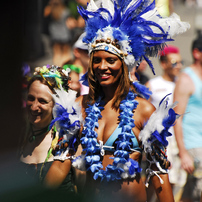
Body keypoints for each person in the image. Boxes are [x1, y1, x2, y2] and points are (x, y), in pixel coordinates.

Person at [44, 0, 190, 201]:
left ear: (124, 64)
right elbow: (61, 163)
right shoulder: (79, 106)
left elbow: (159, 174)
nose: (102, 66)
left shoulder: (144, 110)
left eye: (110, 60)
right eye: (96, 60)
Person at [18, 65, 82, 195]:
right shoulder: (19, 135)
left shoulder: (65, 140)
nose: (34, 107)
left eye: (42, 101)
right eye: (31, 98)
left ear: (56, 105)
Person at [145, 45, 187, 200]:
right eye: (175, 62)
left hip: (177, 138)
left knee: (176, 179)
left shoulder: (181, 84)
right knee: (155, 176)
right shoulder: (153, 84)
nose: (179, 66)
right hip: (158, 140)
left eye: (181, 62)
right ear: (163, 64)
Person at [173, 37, 202, 202]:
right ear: (196, 53)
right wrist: (183, 153)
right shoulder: (186, 79)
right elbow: (176, 118)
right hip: (193, 146)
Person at [44, 0, 76, 66]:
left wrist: (50, 5)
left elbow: (45, 14)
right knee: (65, 52)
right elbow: (70, 22)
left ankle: (57, 66)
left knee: (56, 53)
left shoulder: (51, 10)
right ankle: (64, 67)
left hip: (54, 33)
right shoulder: (65, 10)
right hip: (64, 33)